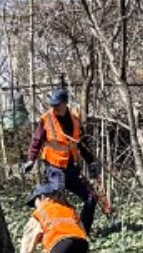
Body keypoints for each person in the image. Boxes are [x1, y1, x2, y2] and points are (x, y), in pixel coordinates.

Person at [21, 82, 101, 229]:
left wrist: (91, 162)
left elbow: (81, 145)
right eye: (53, 104)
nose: (55, 107)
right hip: (54, 167)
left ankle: (82, 230)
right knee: (57, 196)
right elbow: (36, 140)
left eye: (58, 104)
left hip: (71, 169)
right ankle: (41, 194)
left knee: (91, 199)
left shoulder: (76, 120)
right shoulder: (46, 119)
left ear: (65, 103)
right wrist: (31, 160)